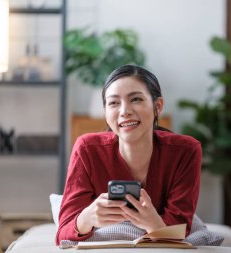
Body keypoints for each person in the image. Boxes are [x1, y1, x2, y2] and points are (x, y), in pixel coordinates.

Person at [55, 65, 202, 245]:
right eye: (114, 103)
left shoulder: (186, 151)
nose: (125, 111)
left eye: (136, 99)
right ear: (106, 112)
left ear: (158, 106)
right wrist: (87, 218)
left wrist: (153, 223)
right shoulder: (87, 149)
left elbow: (180, 229)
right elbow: (63, 234)